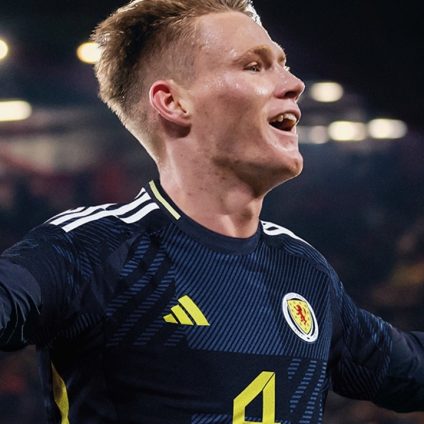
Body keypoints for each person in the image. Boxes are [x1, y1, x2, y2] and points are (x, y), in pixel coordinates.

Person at [0, 0, 423, 422]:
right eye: (254, 66)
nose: (294, 84)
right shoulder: (91, 249)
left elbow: (408, 371)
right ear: (173, 103)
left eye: (284, 65)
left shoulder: (303, 269)